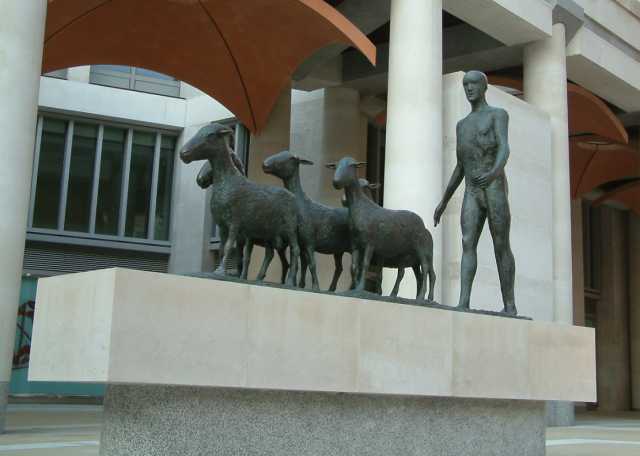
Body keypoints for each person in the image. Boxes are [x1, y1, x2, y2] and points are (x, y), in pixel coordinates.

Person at [434, 70, 517, 315]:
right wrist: (443, 201)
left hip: (493, 187)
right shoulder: (462, 125)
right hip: (472, 189)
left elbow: (505, 148)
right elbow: (460, 167)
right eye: (465, 85)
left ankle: (509, 304)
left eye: (473, 84)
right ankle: (464, 301)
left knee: (500, 244)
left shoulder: (498, 115)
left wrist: (493, 173)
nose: (469, 89)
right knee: (468, 242)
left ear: (484, 87)